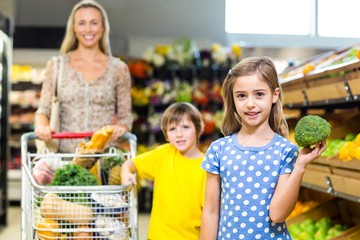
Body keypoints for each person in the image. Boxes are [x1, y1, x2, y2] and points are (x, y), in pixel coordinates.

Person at [199, 56, 327, 240]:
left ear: (274, 95)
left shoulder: (286, 151)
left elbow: (277, 215)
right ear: (232, 98)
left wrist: (300, 167)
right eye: (241, 95)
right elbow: (210, 212)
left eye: (259, 94)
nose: (250, 103)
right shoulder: (218, 150)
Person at [34, 0, 133, 153]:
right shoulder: (57, 66)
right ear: (73, 28)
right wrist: (42, 127)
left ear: (103, 27)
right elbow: (43, 111)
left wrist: (121, 128)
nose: (88, 29)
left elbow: (125, 117)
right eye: (81, 23)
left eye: (94, 23)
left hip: (104, 157)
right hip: (65, 158)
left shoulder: (119, 69)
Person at [121, 102, 206, 240]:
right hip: (157, 236)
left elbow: (209, 215)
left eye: (185, 127)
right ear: (166, 134)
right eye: (172, 129)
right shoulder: (163, 154)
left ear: (198, 129)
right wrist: (126, 172)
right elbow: (131, 164)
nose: (179, 134)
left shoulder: (206, 167)